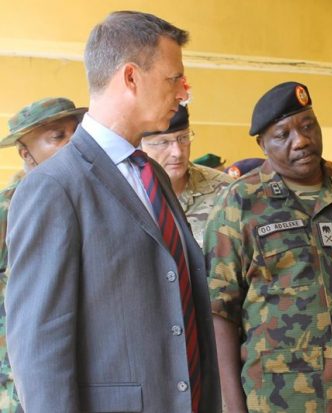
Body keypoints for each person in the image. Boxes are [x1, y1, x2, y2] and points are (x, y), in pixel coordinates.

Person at [5, 11, 220, 412]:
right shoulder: (53, 187)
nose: (183, 92)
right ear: (131, 77)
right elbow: (39, 347)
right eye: (174, 78)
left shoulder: (151, 173)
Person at [204, 81, 332, 413]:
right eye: (283, 135)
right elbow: (219, 312)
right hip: (281, 396)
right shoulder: (239, 203)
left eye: (308, 125)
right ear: (262, 143)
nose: (302, 141)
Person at [0, 96, 85, 413]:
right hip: (22, 380)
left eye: (75, 132)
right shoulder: (9, 207)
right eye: (57, 137)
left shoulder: (84, 193)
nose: (73, 143)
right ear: (26, 154)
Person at [141, 104, 232, 248]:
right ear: (138, 146)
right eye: (163, 142)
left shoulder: (227, 192)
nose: (177, 152)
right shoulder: (125, 194)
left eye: (183, 138)